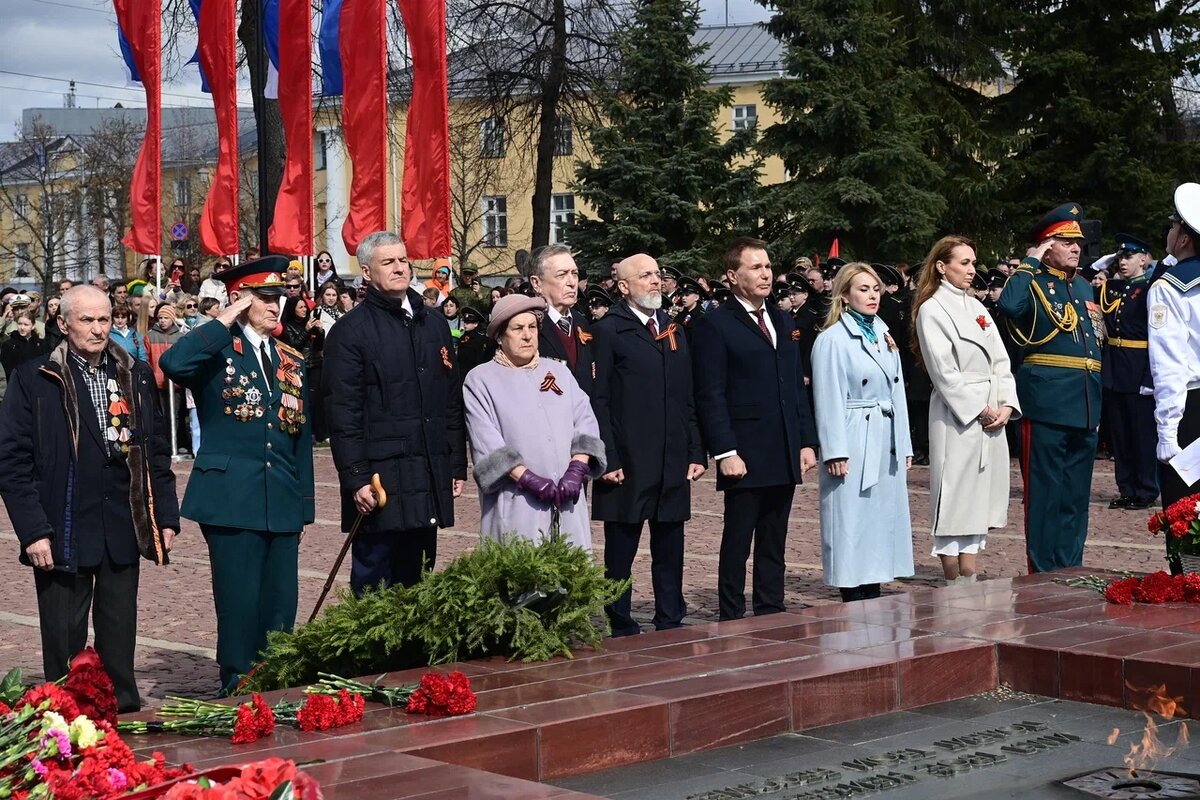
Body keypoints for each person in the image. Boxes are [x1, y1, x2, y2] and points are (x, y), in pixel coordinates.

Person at [0, 286, 178, 711]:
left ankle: (122, 709)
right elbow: (12, 460)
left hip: (121, 521)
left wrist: (165, 515)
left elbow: (154, 449)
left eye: (105, 319)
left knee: (119, 629)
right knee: (64, 636)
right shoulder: (35, 377)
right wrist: (33, 531)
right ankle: (64, 715)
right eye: (88, 320)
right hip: (62, 524)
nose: (99, 330)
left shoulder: (131, 372)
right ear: (64, 324)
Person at [159, 256, 315, 694]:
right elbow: (173, 363)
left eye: (279, 298)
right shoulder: (216, 348)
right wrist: (223, 318)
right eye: (265, 298)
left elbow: (300, 436)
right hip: (231, 496)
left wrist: (304, 505)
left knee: (281, 601)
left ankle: (276, 680)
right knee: (239, 599)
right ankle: (238, 682)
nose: (276, 306)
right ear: (240, 300)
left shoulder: (290, 359)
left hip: (280, 495)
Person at [323, 231, 467, 595]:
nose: (400, 268)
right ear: (367, 273)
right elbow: (343, 412)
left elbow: (449, 400)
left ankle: (413, 652)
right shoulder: (349, 332)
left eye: (403, 260)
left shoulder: (433, 324)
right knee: (375, 579)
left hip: (427, 467)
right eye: (388, 262)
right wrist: (354, 477)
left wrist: (453, 464)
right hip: (380, 476)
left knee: (419, 575)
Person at [692, 238, 818, 620]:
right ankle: (731, 612)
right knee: (738, 538)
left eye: (767, 267)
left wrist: (806, 440)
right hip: (744, 449)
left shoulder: (782, 319)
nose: (766, 274)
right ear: (733, 276)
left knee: (774, 537)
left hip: (781, 445)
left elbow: (795, 386)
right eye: (756, 268)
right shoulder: (714, 323)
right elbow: (710, 393)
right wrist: (726, 451)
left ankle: (770, 607)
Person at [591, 255, 705, 636]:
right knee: (621, 549)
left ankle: (670, 616)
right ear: (623, 287)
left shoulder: (673, 328)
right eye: (646, 276)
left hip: (671, 457)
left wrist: (695, 450)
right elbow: (599, 400)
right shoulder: (609, 330)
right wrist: (606, 456)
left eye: (658, 274)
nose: (656, 281)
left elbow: (688, 394)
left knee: (670, 543)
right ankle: (620, 619)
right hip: (629, 459)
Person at [997, 202, 1103, 573]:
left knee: (1075, 497)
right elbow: (1010, 307)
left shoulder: (1084, 286)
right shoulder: (1032, 281)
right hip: (1047, 402)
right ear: (1045, 245)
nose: (1076, 247)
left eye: (1078, 242)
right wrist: (1028, 263)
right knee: (1045, 495)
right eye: (1065, 240)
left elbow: (1094, 345)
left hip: (1086, 402)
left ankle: (1070, 565)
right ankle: (1042, 572)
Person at [912, 236, 1020, 584]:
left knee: (980, 494)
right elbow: (943, 371)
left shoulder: (976, 307)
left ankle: (969, 569)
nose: (972, 270)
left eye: (974, 262)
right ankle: (951, 573)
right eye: (964, 263)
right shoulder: (933, 309)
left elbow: (1000, 360)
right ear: (942, 266)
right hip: (959, 414)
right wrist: (979, 408)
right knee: (955, 491)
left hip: (990, 409)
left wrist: (1006, 402)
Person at [463, 295, 605, 549]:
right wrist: (527, 478)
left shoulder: (559, 372)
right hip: (517, 501)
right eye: (518, 329)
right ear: (500, 336)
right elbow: (486, 439)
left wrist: (577, 469)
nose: (527, 335)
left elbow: (585, 420)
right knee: (521, 577)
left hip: (567, 499)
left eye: (532, 327)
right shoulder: (480, 380)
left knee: (571, 577)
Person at [812, 263, 914, 601]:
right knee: (850, 519)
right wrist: (835, 450)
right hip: (855, 434)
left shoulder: (884, 336)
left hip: (883, 435)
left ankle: (874, 587)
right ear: (843, 295)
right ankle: (852, 594)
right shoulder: (832, 340)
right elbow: (828, 397)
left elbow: (896, 392)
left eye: (875, 289)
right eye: (863, 289)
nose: (872, 296)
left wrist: (904, 442)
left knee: (879, 520)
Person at [1149, 182, 1200, 573]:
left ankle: (1190, 586)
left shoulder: (1170, 287)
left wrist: (1168, 429)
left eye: (1172, 226)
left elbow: (1170, 364)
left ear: (1183, 237)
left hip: (1189, 406)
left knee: (1185, 508)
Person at [1098, 233, 1158, 510]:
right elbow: (1090, 273)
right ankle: (1126, 488)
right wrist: (1107, 261)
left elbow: (1157, 338)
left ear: (1144, 259)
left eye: (1129, 256)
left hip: (1138, 368)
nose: (1123, 262)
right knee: (1119, 436)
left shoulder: (1151, 290)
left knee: (1141, 435)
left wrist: (1150, 376)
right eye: (1120, 257)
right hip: (1115, 368)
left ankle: (1145, 489)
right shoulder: (1113, 289)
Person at [530, 244, 599, 397]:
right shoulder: (527, 325)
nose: (572, 282)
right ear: (536, 283)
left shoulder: (581, 321)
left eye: (574, 274)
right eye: (562, 275)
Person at [280, 296, 326, 442]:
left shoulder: (310, 322)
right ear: (293, 309)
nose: (304, 310)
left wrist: (320, 331)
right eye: (300, 307)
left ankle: (319, 433)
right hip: (300, 366)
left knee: (317, 400)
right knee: (303, 400)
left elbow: (319, 346)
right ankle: (305, 431)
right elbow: (294, 346)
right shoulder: (288, 325)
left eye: (305, 307)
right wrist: (306, 330)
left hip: (315, 364)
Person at [0, 310, 49, 378]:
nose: (22, 328)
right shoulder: (9, 345)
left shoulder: (42, 344)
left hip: (37, 384)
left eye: (26, 324)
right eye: (20, 324)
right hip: (17, 384)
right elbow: (9, 371)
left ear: (33, 326)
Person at [456, 306, 491, 375]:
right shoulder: (462, 338)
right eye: (465, 322)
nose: (465, 324)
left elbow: (480, 360)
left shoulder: (480, 339)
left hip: (474, 373)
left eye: (468, 322)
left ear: (475, 324)